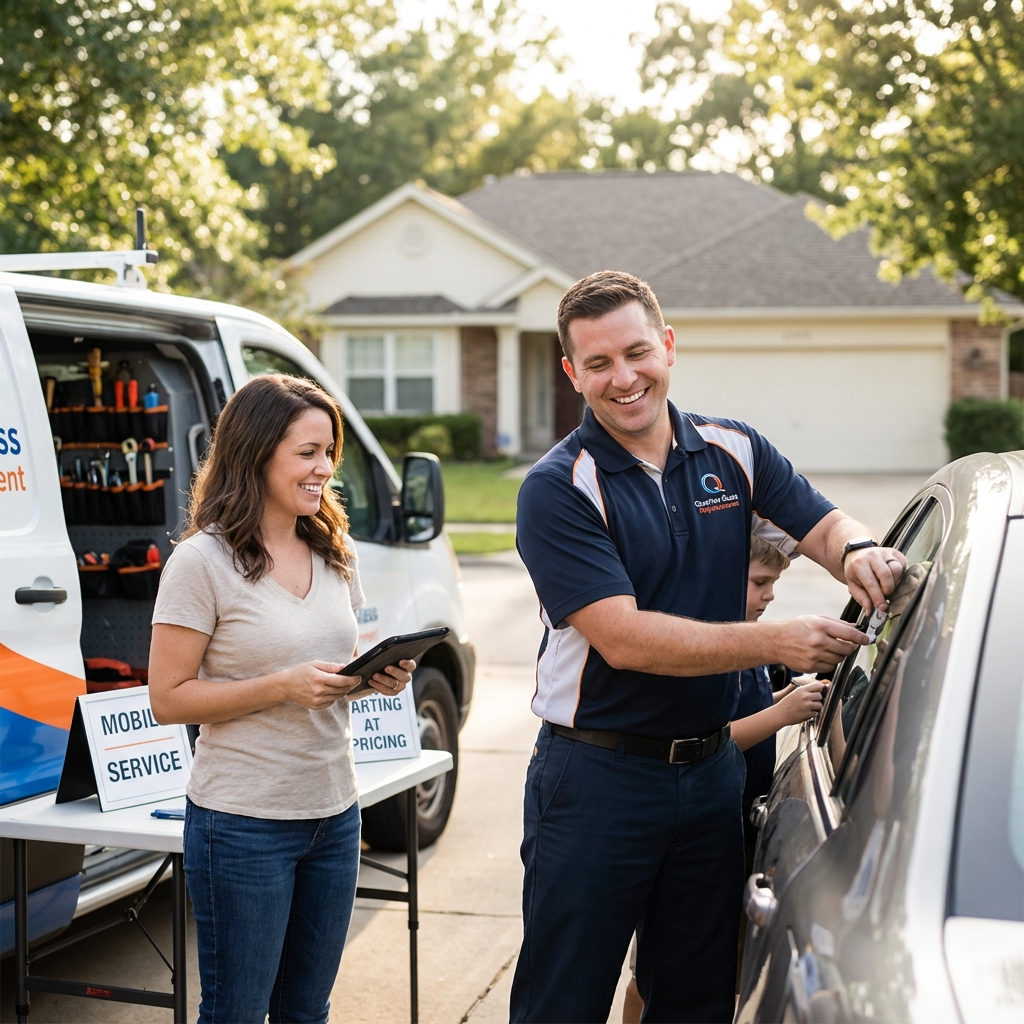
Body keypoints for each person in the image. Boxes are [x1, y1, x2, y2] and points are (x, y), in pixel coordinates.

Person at [510, 270, 907, 1024]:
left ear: (667, 345)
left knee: (693, 1002)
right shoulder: (559, 486)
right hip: (596, 778)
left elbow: (821, 525)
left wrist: (858, 550)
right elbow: (622, 639)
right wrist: (776, 639)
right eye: (598, 364)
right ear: (572, 372)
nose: (623, 378)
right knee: (562, 1003)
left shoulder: (735, 448)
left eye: (636, 353)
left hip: (711, 776)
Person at [149, 374, 415, 1024]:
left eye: (329, 452)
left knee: (306, 1010)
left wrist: (378, 675)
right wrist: (283, 687)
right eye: (307, 452)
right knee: (238, 1013)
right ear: (257, 452)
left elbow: (343, 656)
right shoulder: (201, 562)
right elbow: (168, 698)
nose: (324, 468)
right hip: (241, 824)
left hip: (334, 810)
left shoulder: (333, 548)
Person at [622, 534, 827, 1023]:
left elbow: (750, 709)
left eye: (774, 583)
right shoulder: (705, 649)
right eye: (760, 583)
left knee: (705, 970)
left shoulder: (748, 643)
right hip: (706, 818)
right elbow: (711, 739)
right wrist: (782, 717)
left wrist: (788, 699)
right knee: (655, 974)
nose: (770, 595)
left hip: (735, 822)